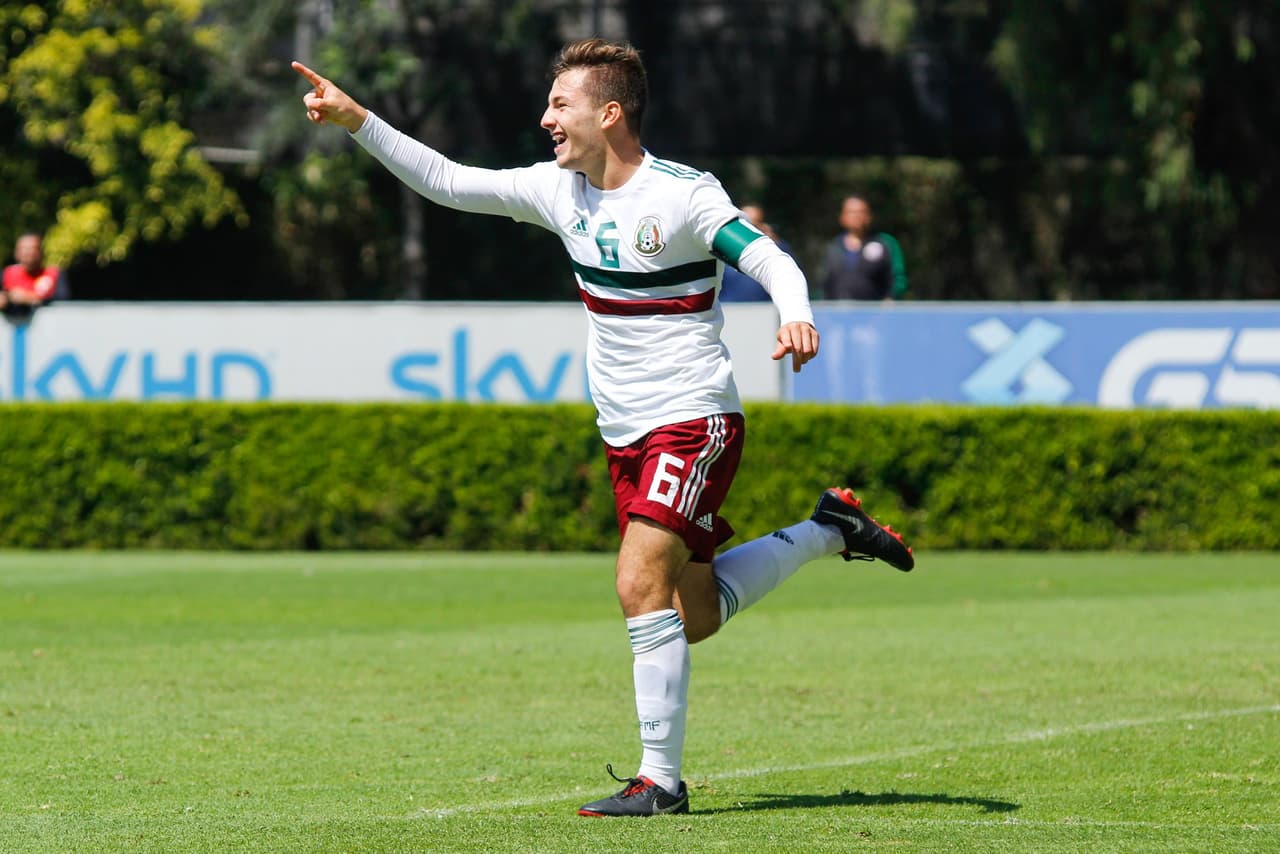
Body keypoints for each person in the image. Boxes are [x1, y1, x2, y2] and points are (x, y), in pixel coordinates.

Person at [293, 38, 913, 818]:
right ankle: (829, 529)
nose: (545, 118)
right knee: (693, 616)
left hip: (692, 419)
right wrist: (358, 119)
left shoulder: (683, 195)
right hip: (625, 433)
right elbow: (447, 181)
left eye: (561, 104)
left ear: (610, 113)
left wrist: (796, 313)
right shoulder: (559, 190)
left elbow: (769, 258)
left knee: (635, 583)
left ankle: (661, 784)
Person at [818, 195, 907, 301]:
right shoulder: (833, 247)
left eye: (861, 212)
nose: (856, 216)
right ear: (842, 217)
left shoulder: (886, 243)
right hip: (837, 310)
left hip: (875, 310)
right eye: (851, 212)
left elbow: (898, 279)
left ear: (869, 216)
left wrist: (890, 298)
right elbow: (824, 283)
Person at [719, 204, 790, 303]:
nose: (748, 229)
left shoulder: (774, 249)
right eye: (745, 224)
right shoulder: (720, 247)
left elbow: (789, 278)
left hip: (764, 309)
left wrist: (774, 244)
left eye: (754, 225)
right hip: (728, 308)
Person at [2, 232, 69, 319]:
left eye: (33, 249)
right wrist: (6, 299)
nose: (28, 253)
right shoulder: (7, 273)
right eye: (23, 249)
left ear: (41, 252)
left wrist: (30, 298)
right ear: (16, 253)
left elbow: (64, 301)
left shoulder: (54, 274)